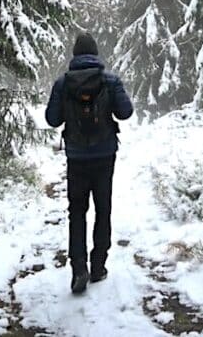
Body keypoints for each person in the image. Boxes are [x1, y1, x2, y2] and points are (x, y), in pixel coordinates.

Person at [45, 32, 133, 294]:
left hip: (76, 156)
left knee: (77, 211)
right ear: (95, 54)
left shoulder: (63, 82)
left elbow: (52, 119)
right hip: (105, 155)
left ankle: (78, 268)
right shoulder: (110, 80)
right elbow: (125, 112)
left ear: (74, 55)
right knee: (102, 209)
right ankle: (98, 266)